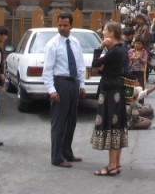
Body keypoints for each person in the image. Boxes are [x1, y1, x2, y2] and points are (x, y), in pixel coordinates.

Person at [42, 12, 86, 168]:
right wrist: (51, 90)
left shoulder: (75, 43)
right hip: (60, 83)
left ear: (71, 26)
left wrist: (82, 85)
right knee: (59, 122)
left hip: (73, 84)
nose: (62, 28)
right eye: (59, 25)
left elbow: (80, 65)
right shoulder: (52, 44)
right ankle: (56, 156)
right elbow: (47, 70)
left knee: (71, 121)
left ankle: (67, 152)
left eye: (65, 25)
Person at [90, 21, 128, 176]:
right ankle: (116, 163)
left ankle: (112, 165)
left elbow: (94, 64)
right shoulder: (121, 49)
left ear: (112, 33)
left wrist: (100, 47)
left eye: (105, 30)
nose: (103, 33)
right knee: (117, 125)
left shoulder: (113, 51)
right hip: (117, 88)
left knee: (112, 126)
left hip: (110, 91)